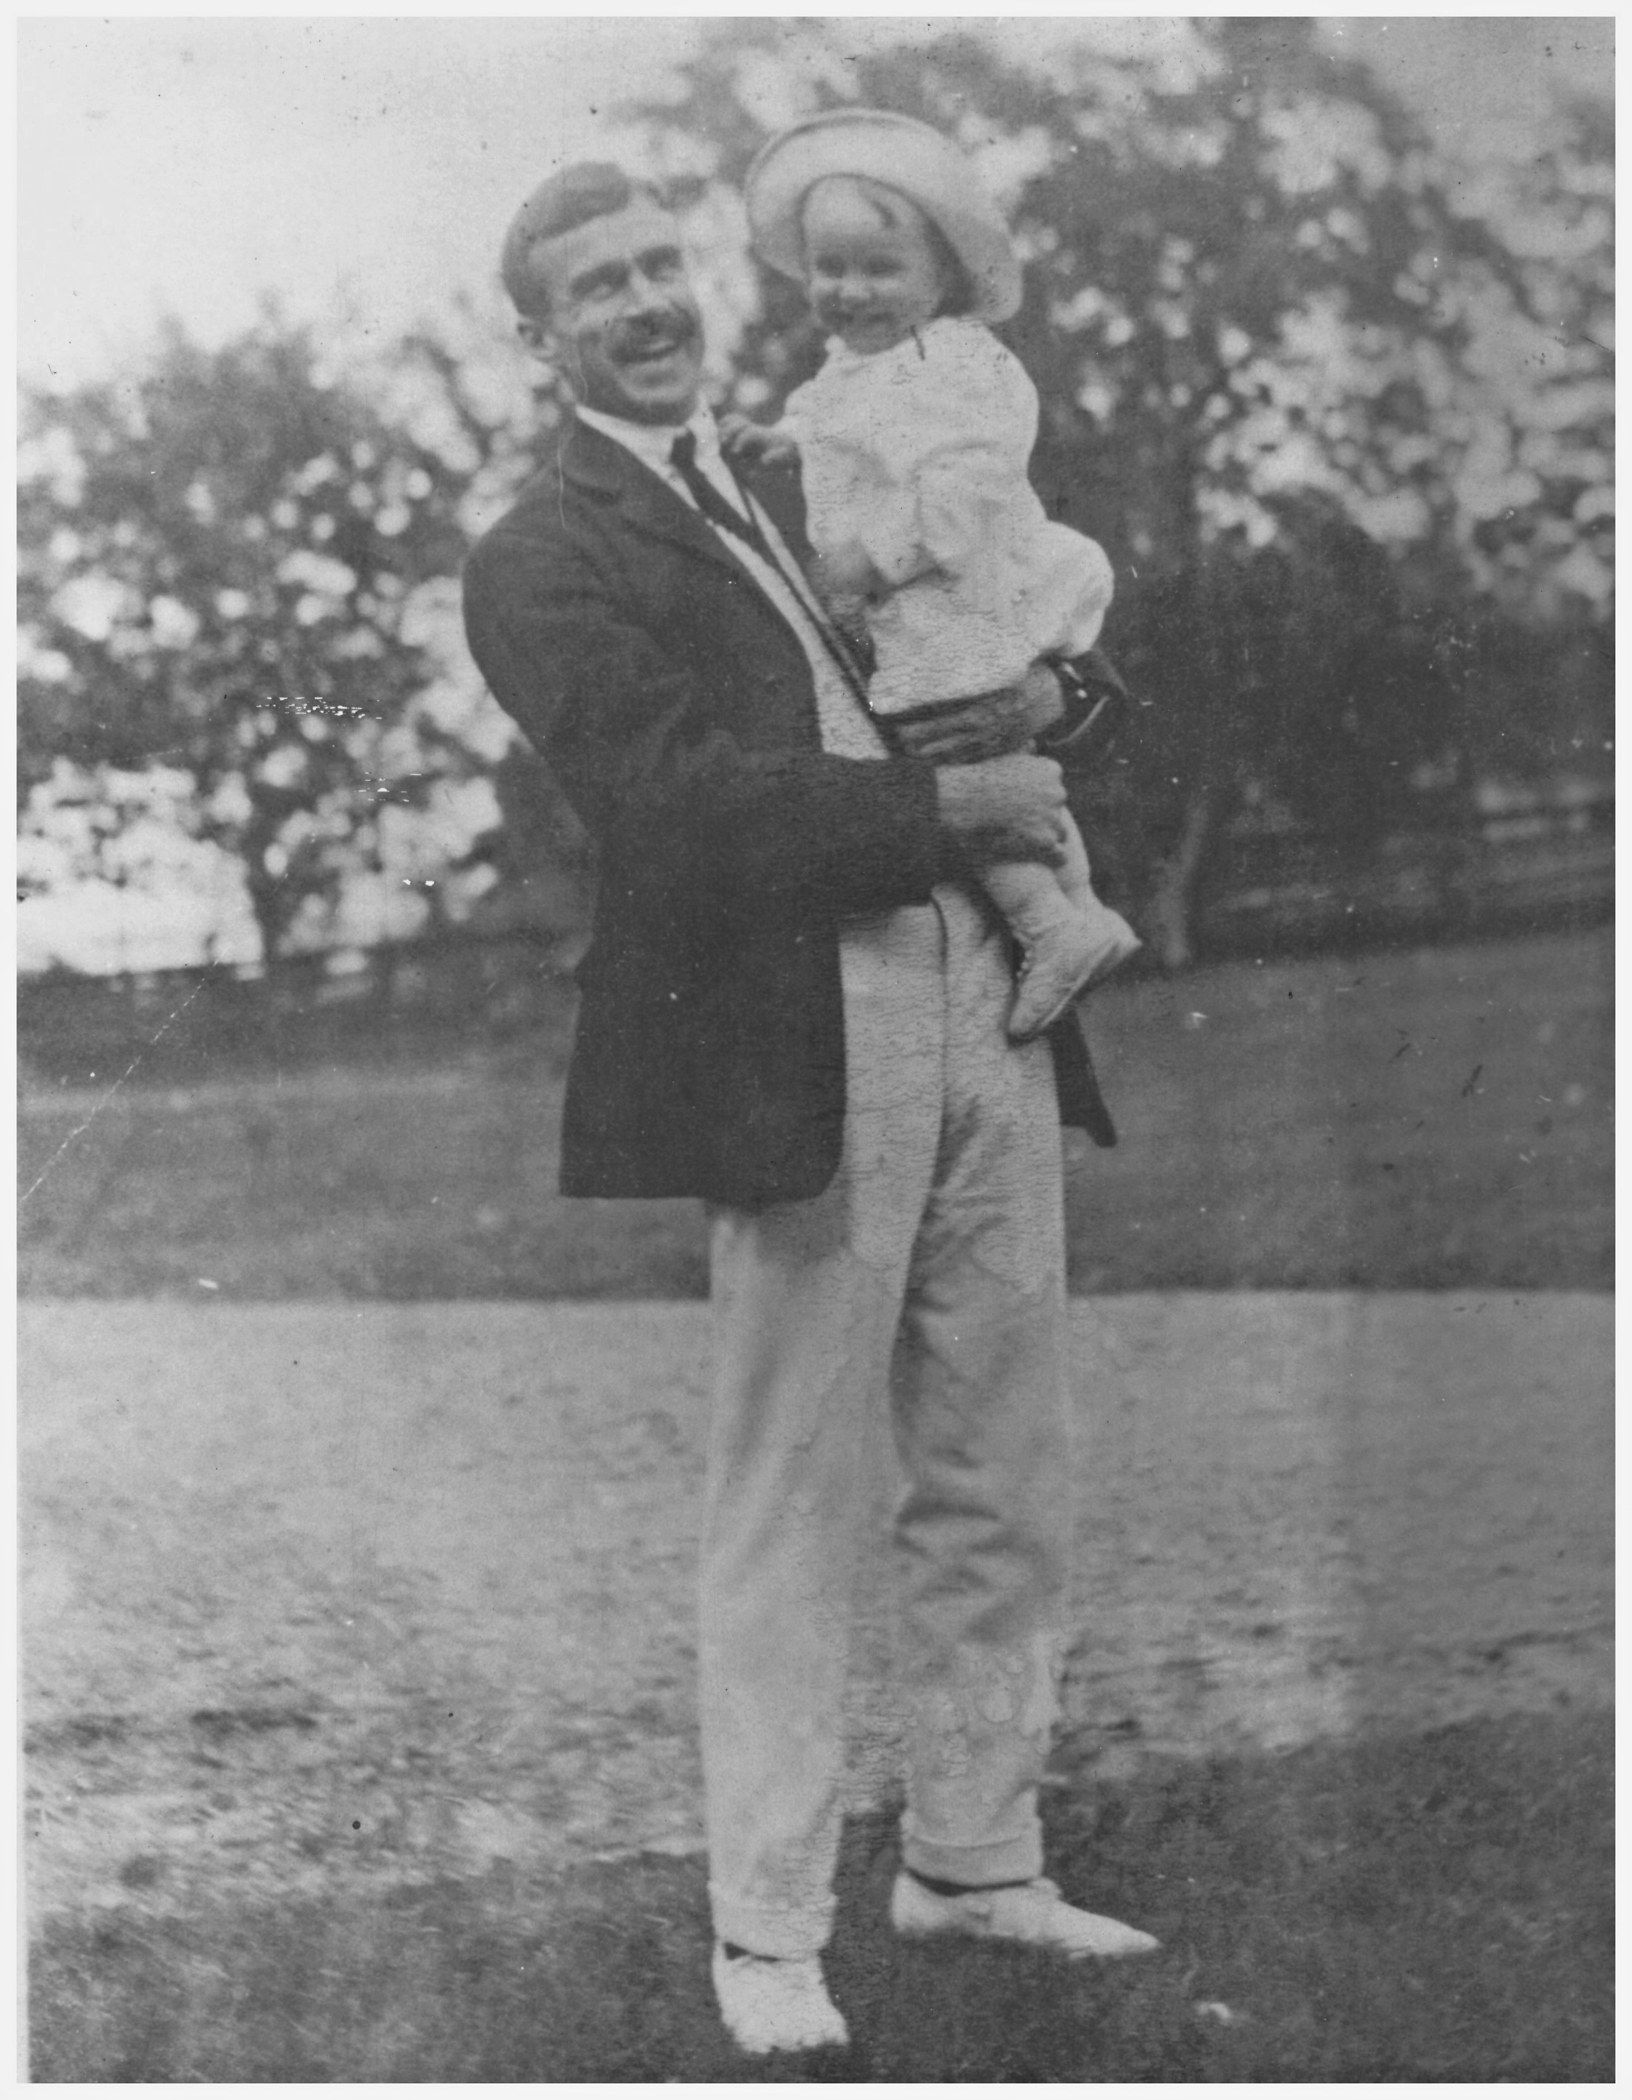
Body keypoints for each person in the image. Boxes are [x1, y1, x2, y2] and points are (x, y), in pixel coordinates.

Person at [462, 156, 1158, 2061]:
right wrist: (950, 811)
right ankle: (768, 1939)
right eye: (592, 290)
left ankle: (975, 1857)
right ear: (541, 341)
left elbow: (1010, 607)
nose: (642, 305)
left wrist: (1054, 718)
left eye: (654, 267)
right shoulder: (547, 553)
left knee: (1002, 1462)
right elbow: (673, 802)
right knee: (788, 1495)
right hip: (799, 1022)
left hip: (995, 991)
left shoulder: (811, 457)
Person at [735, 109, 1141, 1041]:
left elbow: (972, 482)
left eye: (881, 270)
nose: (851, 290)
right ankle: (1085, 914)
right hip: (911, 607)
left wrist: (878, 557)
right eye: (830, 268)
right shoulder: (846, 372)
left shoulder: (964, 367)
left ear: (942, 277)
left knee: (950, 753)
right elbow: (828, 429)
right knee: (1001, 765)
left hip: (953, 594)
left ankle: (1051, 925)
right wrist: (779, 443)